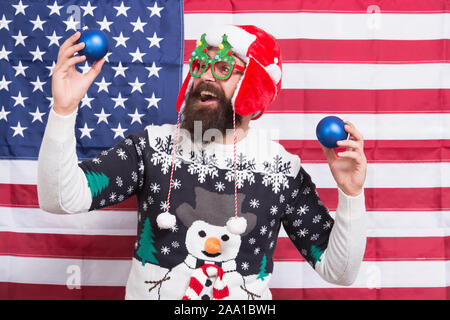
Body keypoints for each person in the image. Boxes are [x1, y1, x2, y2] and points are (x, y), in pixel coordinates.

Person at [38, 25, 367, 300]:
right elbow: (60, 198)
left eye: (223, 68)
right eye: (201, 65)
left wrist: (351, 194)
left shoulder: (282, 171)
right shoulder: (150, 147)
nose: (206, 76)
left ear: (254, 87)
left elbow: (339, 271)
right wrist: (63, 111)